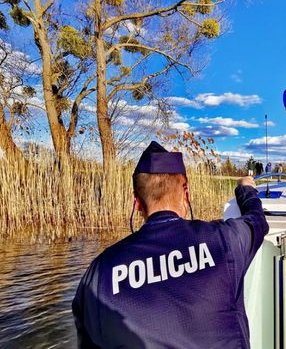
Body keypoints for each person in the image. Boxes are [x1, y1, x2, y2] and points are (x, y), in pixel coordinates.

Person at [72, 141, 269, 348]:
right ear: (186, 193)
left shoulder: (98, 274)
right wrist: (245, 189)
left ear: (136, 202)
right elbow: (256, 221)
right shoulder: (223, 241)